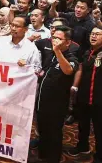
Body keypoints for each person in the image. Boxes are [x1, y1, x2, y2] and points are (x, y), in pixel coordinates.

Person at [33, 26, 79, 163]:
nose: (55, 41)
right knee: (42, 131)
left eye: (59, 38)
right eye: (54, 38)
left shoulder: (71, 57)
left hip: (56, 106)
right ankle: (42, 156)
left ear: (68, 42)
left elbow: (68, 71)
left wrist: (57, 51)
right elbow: (44, 72)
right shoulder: (51, 56)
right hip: (42, 101)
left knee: (53, 134)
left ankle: (53, 159)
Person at [68, 25, 102, 163]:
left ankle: (99, 155)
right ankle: (82, 146)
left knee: (99, 129)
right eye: (92, 34)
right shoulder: (87, 52)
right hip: (84, 96)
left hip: (99, 99)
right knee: (83, 125)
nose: (93, 36)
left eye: (98, 34)